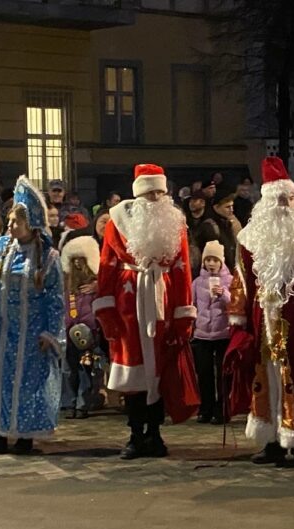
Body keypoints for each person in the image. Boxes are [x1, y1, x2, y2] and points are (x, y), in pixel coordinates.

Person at [227, 156, 294, 469]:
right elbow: (241, 281)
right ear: (265, 203)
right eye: (277, 199)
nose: (284, 205)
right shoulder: (250, 240)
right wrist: (238, 317)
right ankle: (271, 442)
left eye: (289, 198)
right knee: (266, 380)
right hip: (263, 323)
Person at [94, 163, 196, 460]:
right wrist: (106, 310)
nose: (155, 199)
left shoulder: (176, 224)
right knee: (132, 372)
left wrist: (184, 314)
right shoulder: (116, 223)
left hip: (164, 304)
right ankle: (135, 434)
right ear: (139, 195)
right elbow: (106, 267)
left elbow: (183, 270)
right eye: (150, 193)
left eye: (160, 193)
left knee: (161, 370)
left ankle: (155, 433)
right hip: (128, 304)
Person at [0, 177, 65, 455]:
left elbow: (55, 299)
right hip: (2, 330)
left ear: (32, 224)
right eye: (11, 221)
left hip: (32, 332)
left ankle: (25, 436)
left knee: (29, 384)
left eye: (17, 222)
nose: (11, 226)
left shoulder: (47, 256)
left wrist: (50, 332)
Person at [61, 232, 102, 420]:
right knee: (69, 370)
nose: (77, 263)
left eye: (81, 259)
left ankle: (82, 404)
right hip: (68, 333)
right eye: (74, 259)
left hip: (89, 334)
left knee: (86, 369)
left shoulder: (96, 285)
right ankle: (69, 403)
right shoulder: (66, 285)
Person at [191, 241, 232, 424]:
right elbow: (192, 304)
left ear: (221, 261)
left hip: (223, 333)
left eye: (215, 260)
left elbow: (235, 303)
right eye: (208, 260)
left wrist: (224, 294)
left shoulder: (230, 280)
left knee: (223, 375)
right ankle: (205, 409)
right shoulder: (197, 282)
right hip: (202, 334)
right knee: (204, 373)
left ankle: (222, 410)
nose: (211, 263)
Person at [198, 187, 241, 271]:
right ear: (216, 207)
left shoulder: (229, 223)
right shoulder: (209, 227)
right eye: (227, 207)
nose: (231, 210)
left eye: (232, 206)